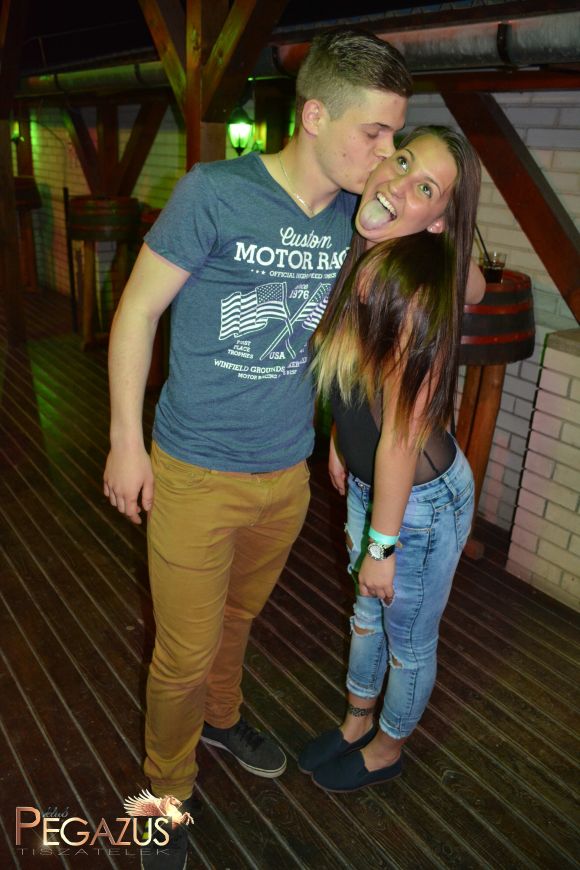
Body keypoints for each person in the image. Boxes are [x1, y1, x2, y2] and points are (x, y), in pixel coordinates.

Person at [103, 28, 412, 867]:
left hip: (286, 474)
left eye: (395, 135)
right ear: (314, 116)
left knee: (237, 621)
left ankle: (223, 719)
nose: (386, 153)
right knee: (182, 655)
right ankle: (165, 794)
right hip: (196, 471)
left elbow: (376, 327)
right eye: (374, 133)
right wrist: (126, 443)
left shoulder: (355, 218)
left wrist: (339, 435)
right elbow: (137, 312)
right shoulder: (215, 192)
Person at [297, 125, 484, 793]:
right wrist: (342, 443)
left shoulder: (410, 291)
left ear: (438, 221)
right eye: (403, 162)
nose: (399, 185)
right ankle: (356, 723)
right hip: (374, 482)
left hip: (419, 503)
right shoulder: (376, 253)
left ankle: (388, 748)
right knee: (364, 616)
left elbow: (403, 436)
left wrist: (383, 544)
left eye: (425, 188)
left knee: (407, 643)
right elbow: (474, 290)